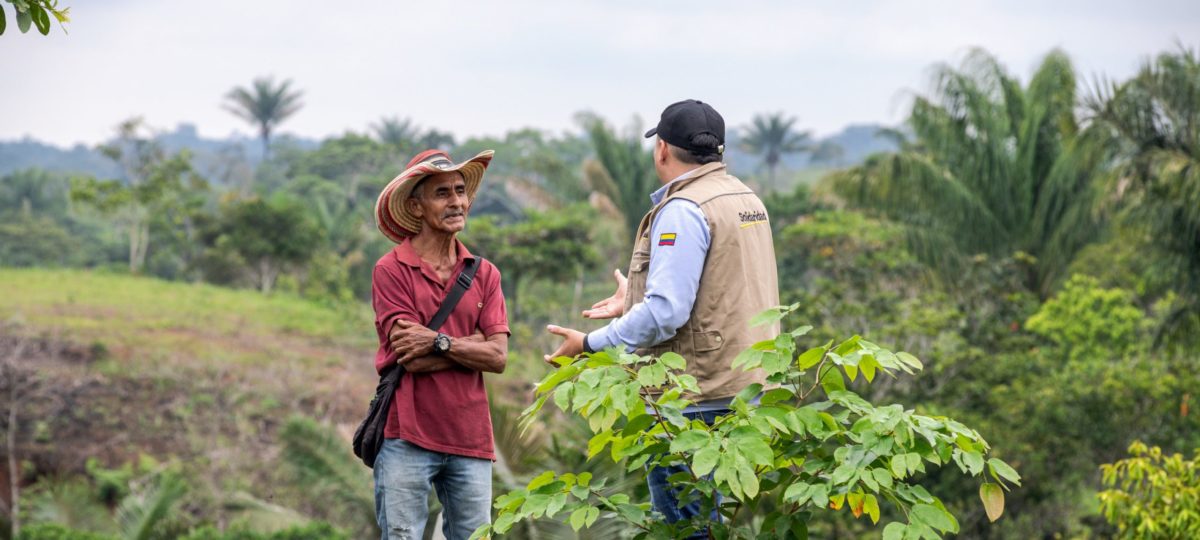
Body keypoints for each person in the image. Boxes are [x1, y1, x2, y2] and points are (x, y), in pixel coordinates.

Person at [545, 99, 780, 537]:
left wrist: (590, 343)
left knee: (686, 528)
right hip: (749, 391)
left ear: (663, 149)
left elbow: (667, 312)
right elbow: (723, 286)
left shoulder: (684, 209)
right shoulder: (746, 199)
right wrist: (633, 296)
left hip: (695, 399)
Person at [370, 149, 510, 540]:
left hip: (470, 438)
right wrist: (473, 346)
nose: (457, 202)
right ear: (415, 206)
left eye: (460, 191)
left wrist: (439, 342)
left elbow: (498, 357)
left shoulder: (484, 274)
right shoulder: (391, 270)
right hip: (406, 435)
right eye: (442, 193)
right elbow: (410, 357)